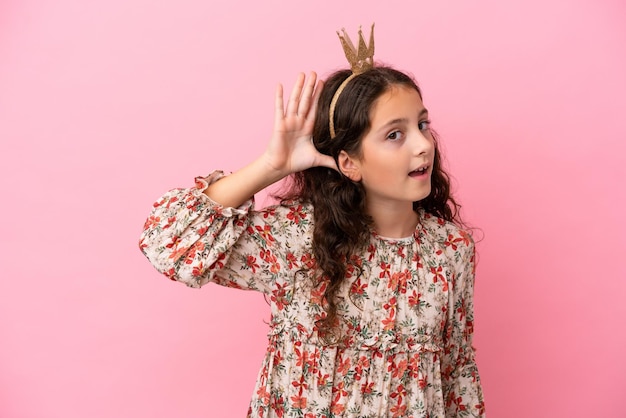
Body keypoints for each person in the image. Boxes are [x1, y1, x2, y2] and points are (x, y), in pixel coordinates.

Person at [139, 25, 485, 417]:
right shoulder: (299, 237)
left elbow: (457, 376)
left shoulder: (450, 249)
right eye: (394, 134)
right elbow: (168, 245)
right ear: (349, 163)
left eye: (422, 125)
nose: (424, 144)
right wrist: (271, 166)